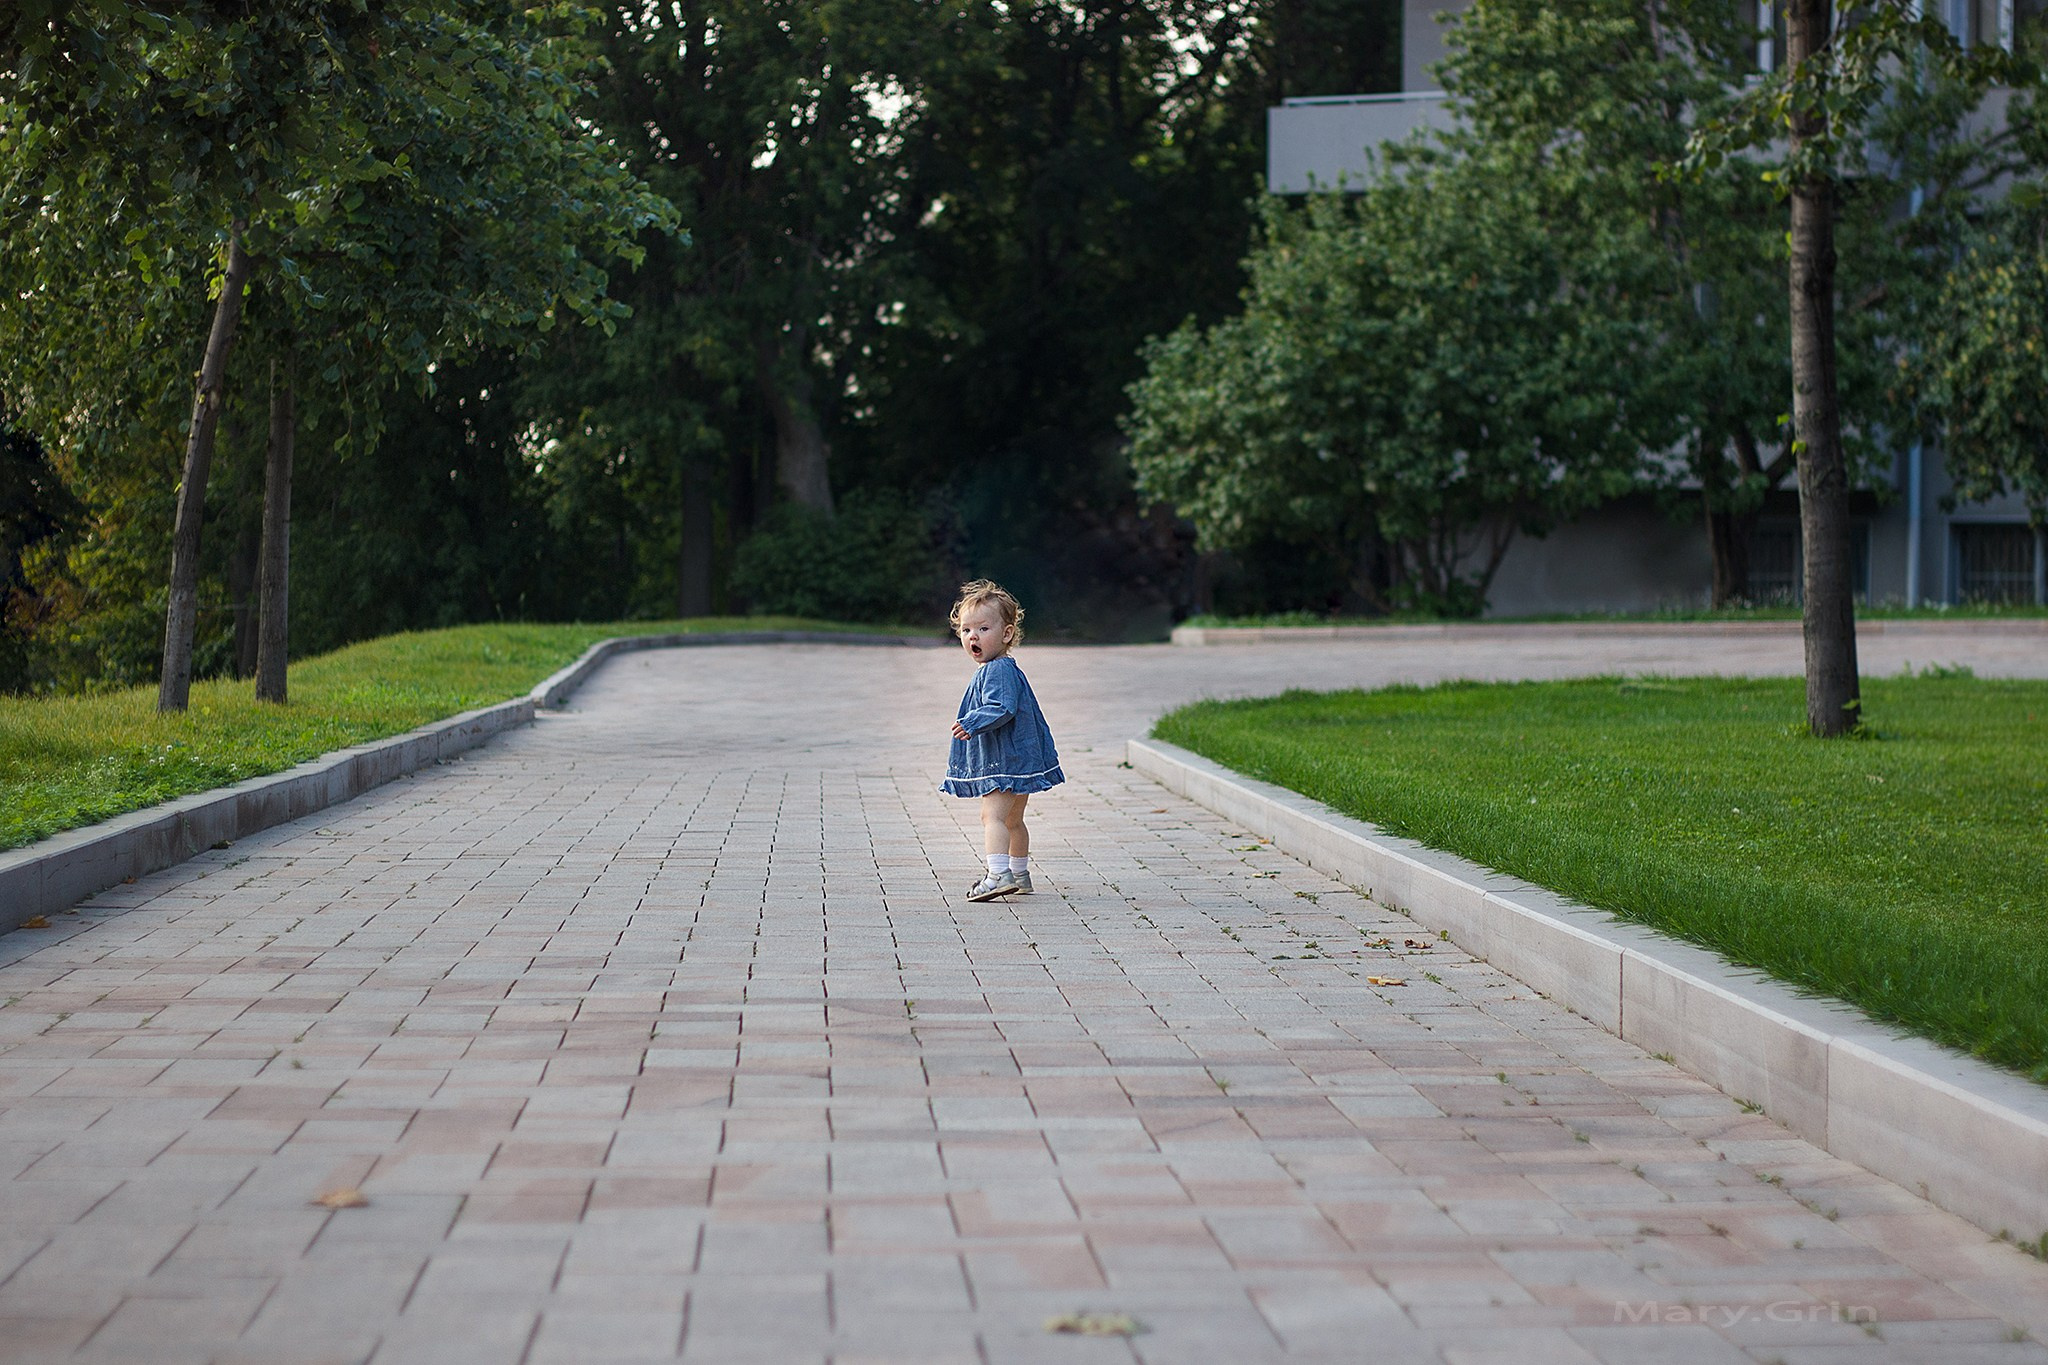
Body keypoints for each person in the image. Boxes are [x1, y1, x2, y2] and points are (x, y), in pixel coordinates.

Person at [940, 579, 1064, 901]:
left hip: (1004, 761)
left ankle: (998, 875)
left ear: (1007, 633)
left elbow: (1002, 708)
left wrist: (972, 722)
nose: (973, 637)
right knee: (1013, 820)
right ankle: (1020, 874)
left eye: (983, 628)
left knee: (991, 816)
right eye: (966, 631)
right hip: (1018, 759)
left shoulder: (996, 670)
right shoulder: (1002, 667)